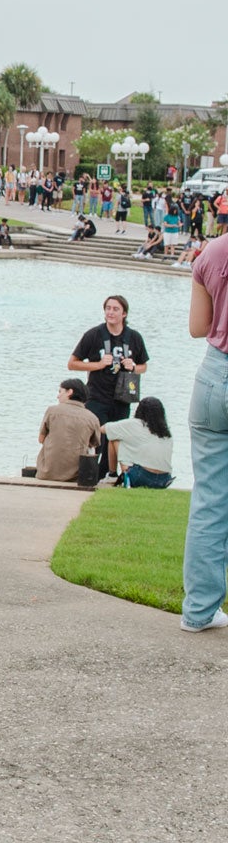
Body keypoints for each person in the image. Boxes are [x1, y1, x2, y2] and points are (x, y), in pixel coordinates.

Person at [181, 232, 228, 629]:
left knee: (209, 501)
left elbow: (199, 327)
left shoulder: (212, 251)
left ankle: (198, 611)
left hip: (213, 377)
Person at [68, 295, 149, 474]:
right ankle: (90, 473)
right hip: (97, 396)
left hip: (122, 397)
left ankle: (110, 474)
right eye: (108, 308)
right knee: (96, 437)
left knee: (116, 438)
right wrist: (98, 364)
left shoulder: (134, 337)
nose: (110, 312)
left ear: (124, 314)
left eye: (115, 309)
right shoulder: (94, 334)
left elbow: (144, 366)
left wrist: (134, 366)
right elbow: (72, 363)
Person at [36, 378, 101, 482]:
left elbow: (41, 439)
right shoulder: (92, 418)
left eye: (60, 391)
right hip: (75, 476)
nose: (58, 396)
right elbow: (94, 443)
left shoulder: (52, 410)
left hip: (46, 472)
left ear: (70, 392)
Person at [102, 397, 174, 488]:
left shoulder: (135, 424)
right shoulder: (166, 432)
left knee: (114, 438)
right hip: (165, 479)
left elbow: (103, 429)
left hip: (141, 477)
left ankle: (112, 475)